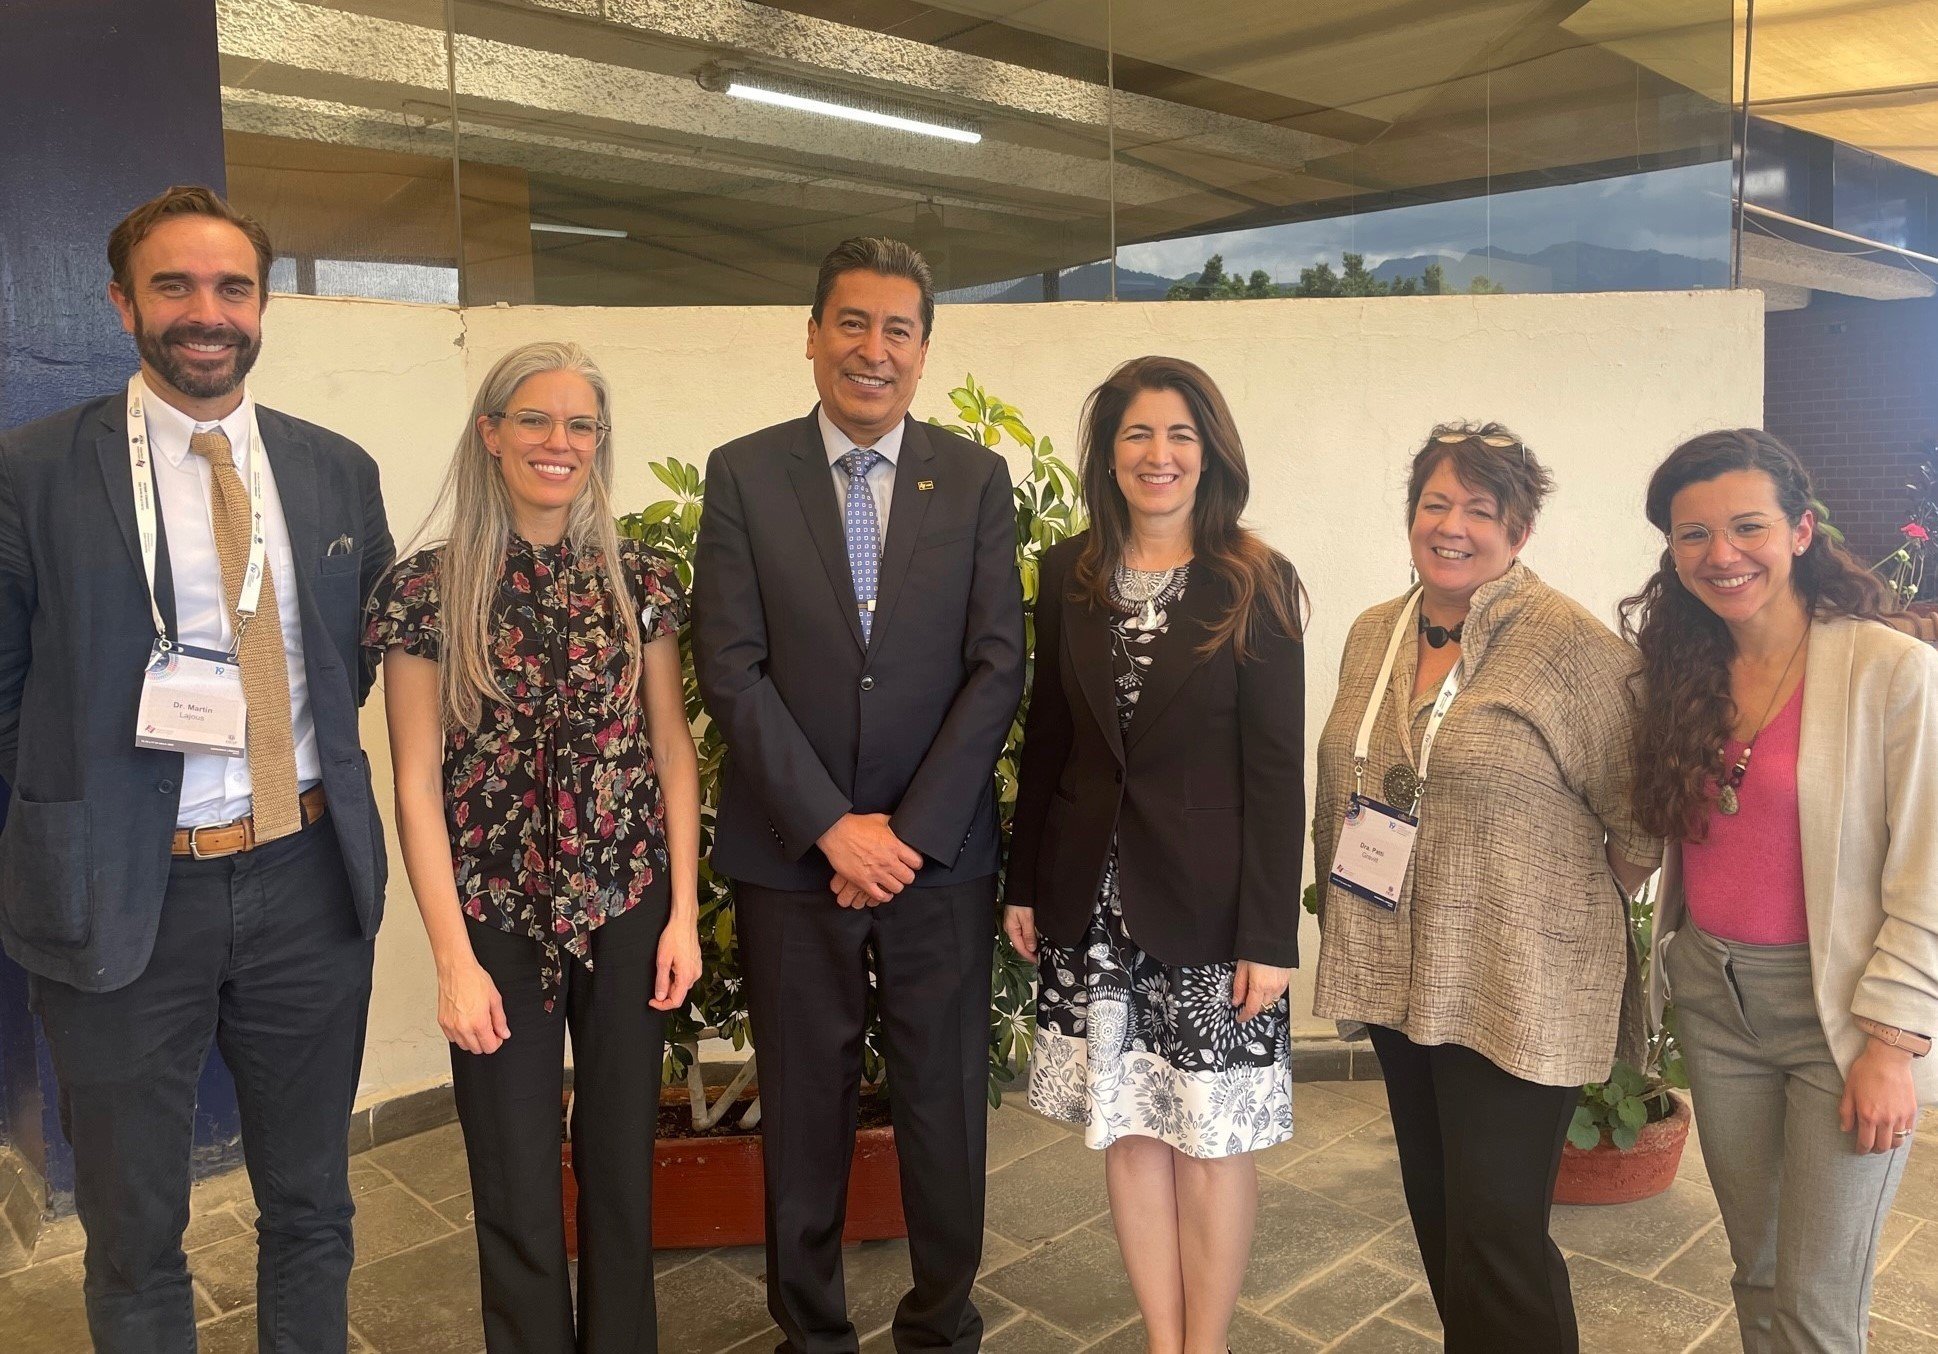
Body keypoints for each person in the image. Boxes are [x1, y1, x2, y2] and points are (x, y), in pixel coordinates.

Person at [0, 185, 393, 1352]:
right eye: (174, 284)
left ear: (263, 306)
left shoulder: (335, 471)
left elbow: (350, 658)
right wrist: (84, 813)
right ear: (124, 302)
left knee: (314, 1204)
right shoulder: (31, 472)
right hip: (122, 897)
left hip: (307, 882)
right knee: (133, 1237)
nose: (205, 312)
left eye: (232, 287)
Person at [693, 236, 1024, 1354]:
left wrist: (909, 834)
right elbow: (728, 667)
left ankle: (942, 1323)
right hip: (793, 855)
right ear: (812, 334)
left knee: (944, 1102)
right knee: (802, 1103)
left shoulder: (976, 480)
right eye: (851, 323)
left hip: (941, 860)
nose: (871, 350)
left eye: (897, 330)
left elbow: (997, 668)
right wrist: (832, 825)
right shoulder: (742, 474)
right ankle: (812, 1333)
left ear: (924, 351)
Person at [366, 340, 700, 1352]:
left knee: (619, 1169)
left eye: (581, 425)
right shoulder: (427, 591)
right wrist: (453, 960)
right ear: (492, 434)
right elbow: (415, 781)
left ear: (600, 445)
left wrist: (683, 910)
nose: (560, 442)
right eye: (537, 420)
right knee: (512, 1179)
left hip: (628, 905)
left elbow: (672, 749)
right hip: (496, 922)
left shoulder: (638, 579)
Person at [1310, 423, 1658, 1354]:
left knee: (1499, 1234)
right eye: (1435, 502)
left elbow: (1641, 818)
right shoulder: (1376, 630)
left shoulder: (1569, 645)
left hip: (1517, 981)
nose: (1452, 525)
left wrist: (1558, 908)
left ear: (1520, 528)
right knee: (1442, 1220)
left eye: (1480, 508)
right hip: (1401, 973)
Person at [1002, 356, 1304, 1354]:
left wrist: (1270, 931)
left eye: (1180, 435)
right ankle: (1162, 1339)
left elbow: (1275, 771)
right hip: (1090, 906)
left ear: (1210, 453)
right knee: (1128, 1127)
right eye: (1138, 434)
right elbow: (1049, 737)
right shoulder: (1066, 572)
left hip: (1212, 914)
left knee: (1211, 1138)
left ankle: (1204, 1346)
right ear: (1111, 453)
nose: (1159, 454)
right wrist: (1025, 884)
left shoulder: (1254, 582)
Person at [1628, 429, 1938, 1353]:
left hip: (1839, 1013)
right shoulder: (1684, 672)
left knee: (1815, 1298)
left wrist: (1893, 1043)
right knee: (1756, 1271)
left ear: (1802, 532)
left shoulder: (1893, 672)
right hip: (1716, 1004)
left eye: (1748, 527)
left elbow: (1930, 867)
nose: (1721, 555)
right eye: (1693, 535)